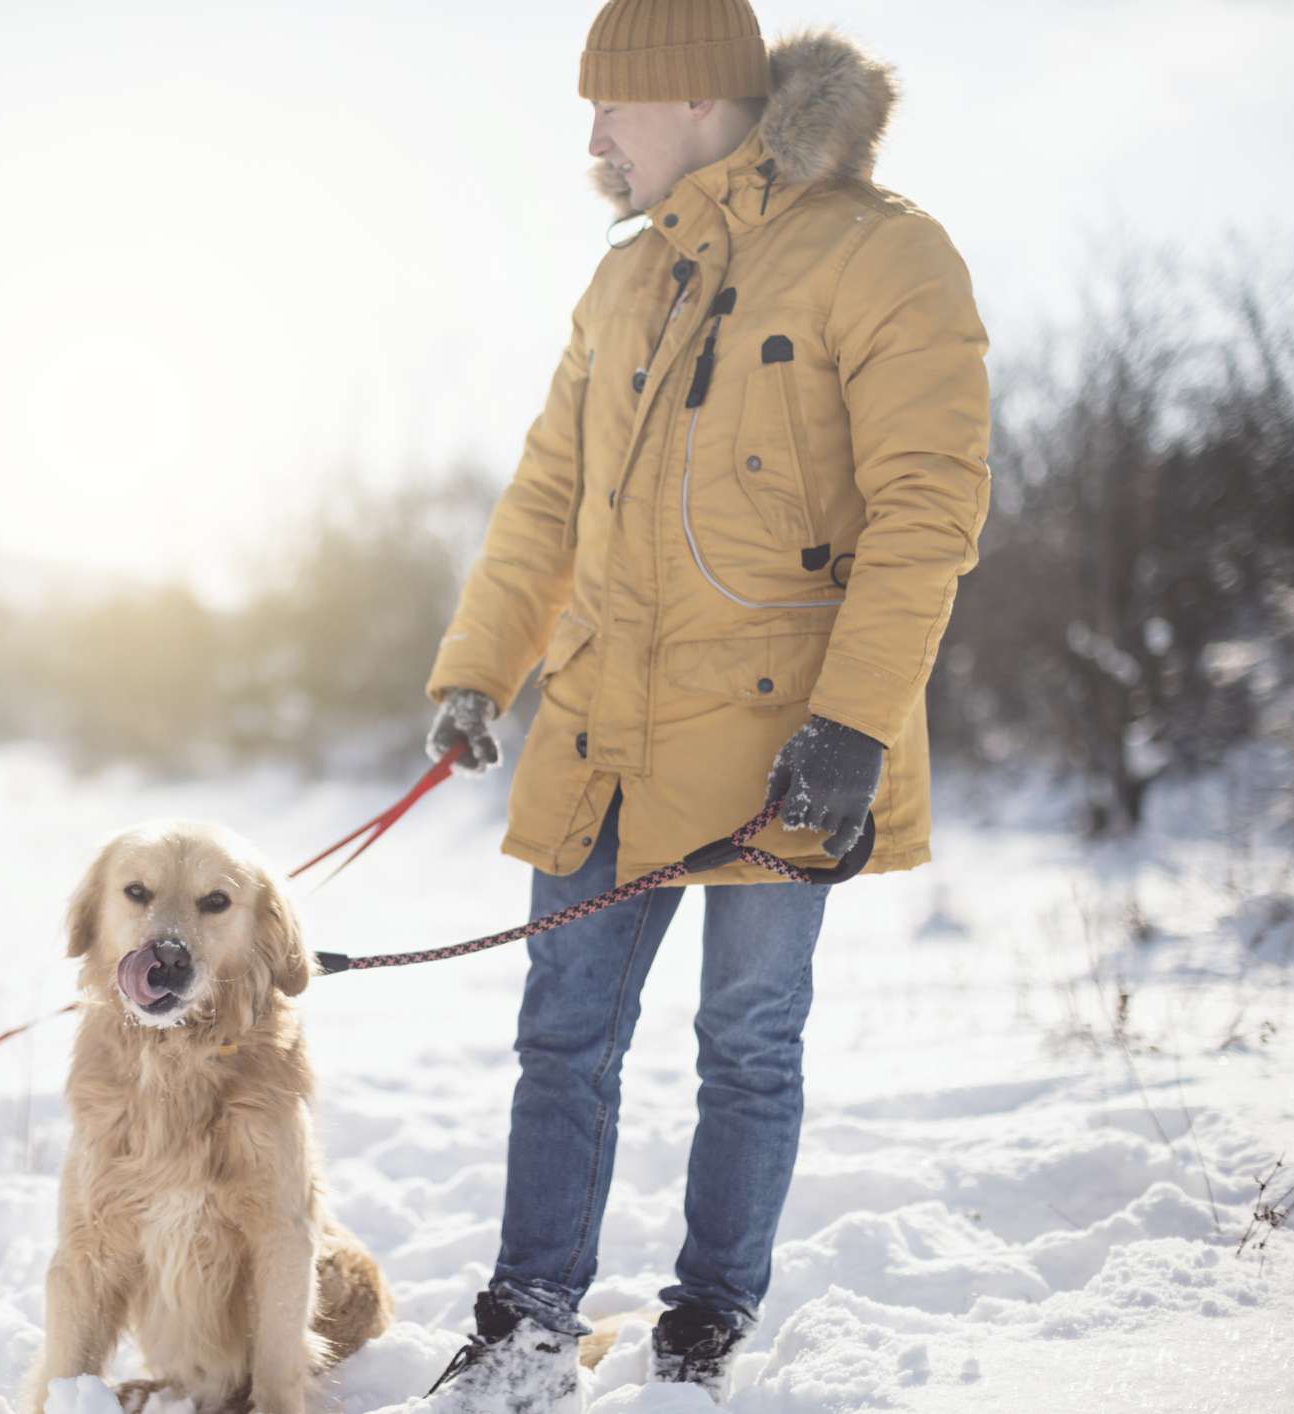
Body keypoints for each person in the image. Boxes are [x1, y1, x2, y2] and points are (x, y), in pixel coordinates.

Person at [419, 1, 990, 1406]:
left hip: (781, 744)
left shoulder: (884, 251)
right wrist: (475, 668)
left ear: (686, 99)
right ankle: (528, 1318)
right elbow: (546, 498)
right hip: (608, 728)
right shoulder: (622, 282)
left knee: (746, 1038)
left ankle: (704, 1324)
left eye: (608, 105)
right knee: (562, 1033)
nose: (593, 137)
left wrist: (854, 719)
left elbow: (931, 503)